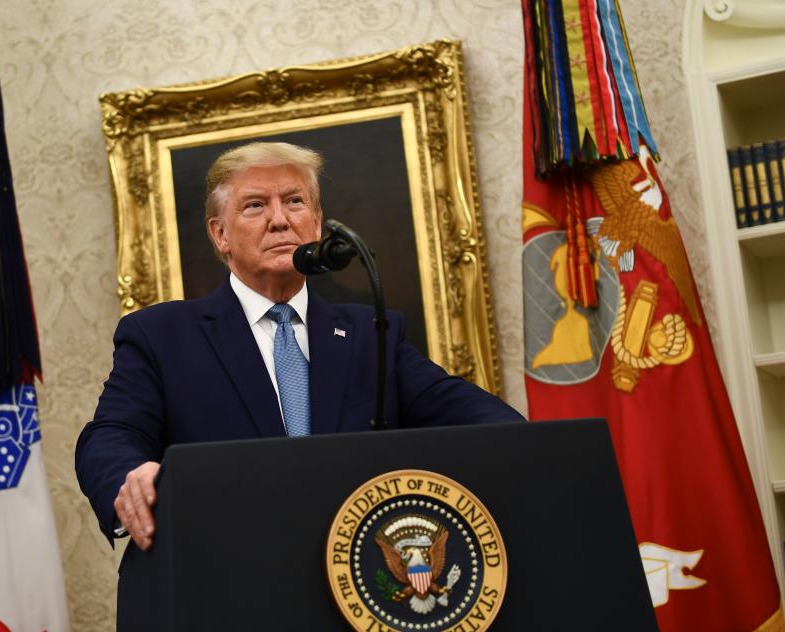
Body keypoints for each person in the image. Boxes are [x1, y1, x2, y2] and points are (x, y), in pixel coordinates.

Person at [75, 142, 524, 551]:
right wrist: (129, 479)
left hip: (356, 574)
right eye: (255, 206)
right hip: (227, 568)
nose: (279, 219)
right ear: (220, 235)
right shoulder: (161, 335)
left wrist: (533, 452)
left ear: (317, 222)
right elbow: (112, 436)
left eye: (294, 201)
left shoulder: (372, 333)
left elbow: (475, 417)